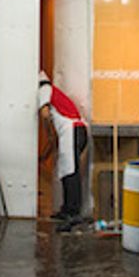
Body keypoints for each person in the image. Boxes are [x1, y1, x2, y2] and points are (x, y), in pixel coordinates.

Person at [38, 71, 89, 232]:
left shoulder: (44, 89)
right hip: (75, 132)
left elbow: (45, 113)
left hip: (72, 131)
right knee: (66, 170)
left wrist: (49, 134)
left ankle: (73, 214)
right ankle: (67, 209)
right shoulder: (52, 89)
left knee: (71, 171)